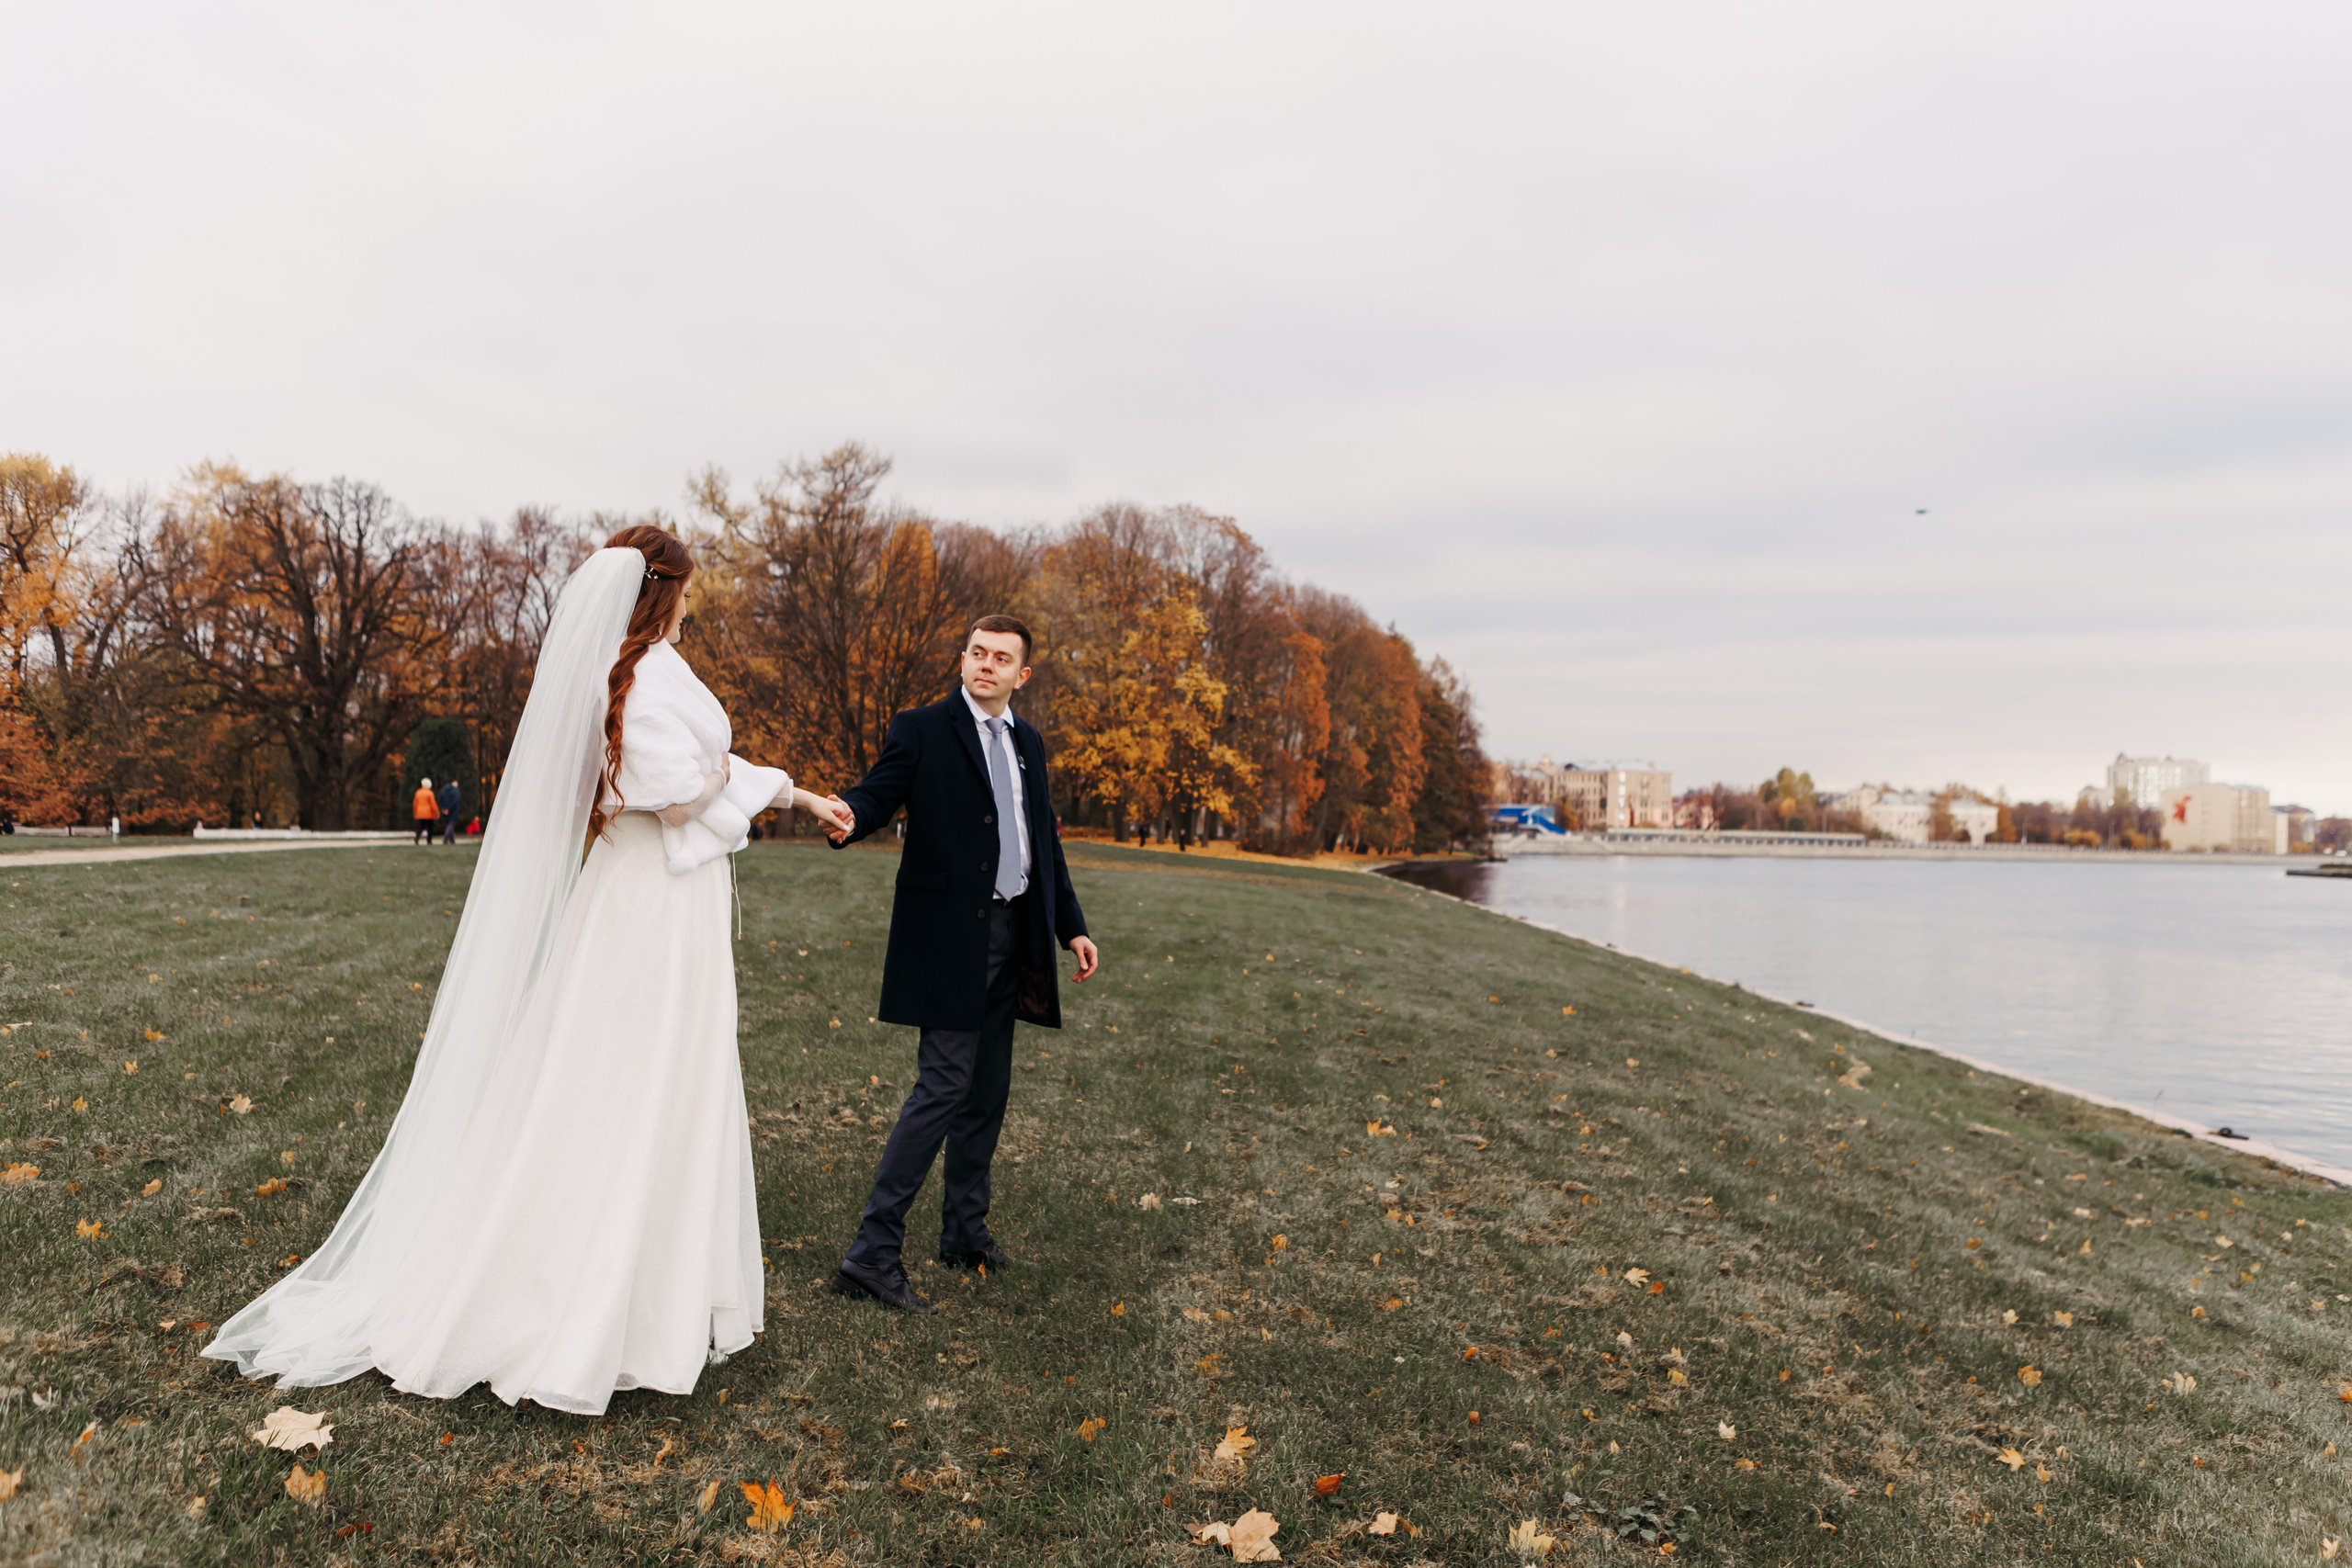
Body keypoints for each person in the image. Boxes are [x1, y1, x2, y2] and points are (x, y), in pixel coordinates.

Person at [202, 525, 853, 1415]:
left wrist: (799, 794)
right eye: (691, 588)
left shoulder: (646, 667)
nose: (696, 602)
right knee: (622, 1077)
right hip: (647, 901)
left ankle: (648, 1285)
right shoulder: (637, 674)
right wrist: (742, 796)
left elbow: (713, 770)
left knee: (658, 1076)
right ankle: (576, 1301)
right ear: (666, 589)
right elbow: (678, 798)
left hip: (666, 896)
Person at [820, 615, 1099, 1313]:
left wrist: (1072, 928)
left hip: (1014, 936)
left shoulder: (1028, 740)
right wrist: (848, 814)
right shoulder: (922, 727)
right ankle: (872, 1252)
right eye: (977, 653)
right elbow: (878, 793)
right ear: (963, 659)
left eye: (1001, 658)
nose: (985, 665)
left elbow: (1042, 844)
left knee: (986, 1092)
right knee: (942, 1086)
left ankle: (964, 1233)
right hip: (947, 938)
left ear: (1021, 675)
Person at [412, 777, 437, 845]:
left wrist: (415, 812)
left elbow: (415, 803)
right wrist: (437, 812)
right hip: (429, 813)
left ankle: (417, 838)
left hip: (420, 813)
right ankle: (429, 841)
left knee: (422, 827)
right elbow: (433, 804)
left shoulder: (418, 792)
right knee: (430, 828)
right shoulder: (430, 793)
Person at [438, 778, 462, 845]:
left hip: (445, 810)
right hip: (453, 810)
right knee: (451, 824)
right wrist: (449, 809)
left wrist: (443, 809)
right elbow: (455, 801)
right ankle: (445, 839)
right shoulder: (455, 791)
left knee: (449, 824)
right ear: (453, 783)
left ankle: (452, 840)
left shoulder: (443, 790)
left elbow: (440, 800)